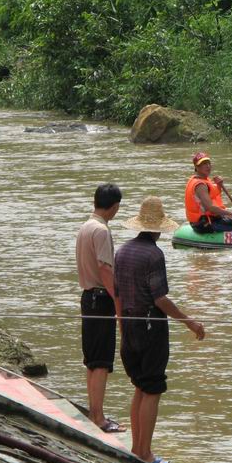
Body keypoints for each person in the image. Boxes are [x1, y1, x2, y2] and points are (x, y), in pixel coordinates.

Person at [115, 196, 205, 463]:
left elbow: (118, 295)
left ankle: (136, 447)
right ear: (158, 229)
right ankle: (146, 454)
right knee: (152, 388)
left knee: (140, 387)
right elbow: (160, 299)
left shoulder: (121, 252)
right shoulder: (154, 255)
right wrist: (190, 322)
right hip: (150, 327)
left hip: (128, 324)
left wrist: (121, 328)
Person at [75, 183, 125, 433]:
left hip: (87, 297)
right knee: (102, 362)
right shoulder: (102, 231)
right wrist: (118, 302)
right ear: (114, 207)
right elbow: (106, 269)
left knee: (92, 361)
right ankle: (99, 418)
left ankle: (95, 412)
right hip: (101, 298)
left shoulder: (85, 226)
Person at [184, 152, 232, 233]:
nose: (208, 166)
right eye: (203, 164)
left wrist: (219, 185)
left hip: (208, 219)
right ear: (196, 167)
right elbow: (211, 208)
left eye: (208, 163)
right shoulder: (200, 185)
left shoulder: (203, 179)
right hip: (204, 224)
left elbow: (214, 193)